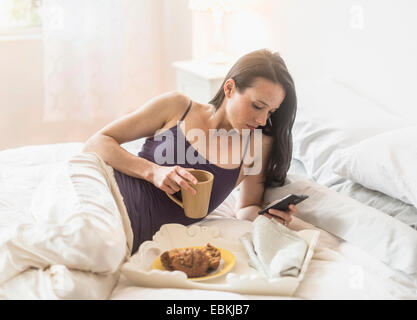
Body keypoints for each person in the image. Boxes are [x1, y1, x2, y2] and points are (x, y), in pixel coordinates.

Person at [0, 49, 298, 287]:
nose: (261, 120)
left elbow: (244, 208)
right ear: (230, 88)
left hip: (127, 239)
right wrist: (153, 172)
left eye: (270, 112)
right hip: (99, 184)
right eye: (257, 106)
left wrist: (267, 217)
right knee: (101, 248)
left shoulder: (255, 146)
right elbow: (97, 141)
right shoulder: (178, 106)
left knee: (75, 290)